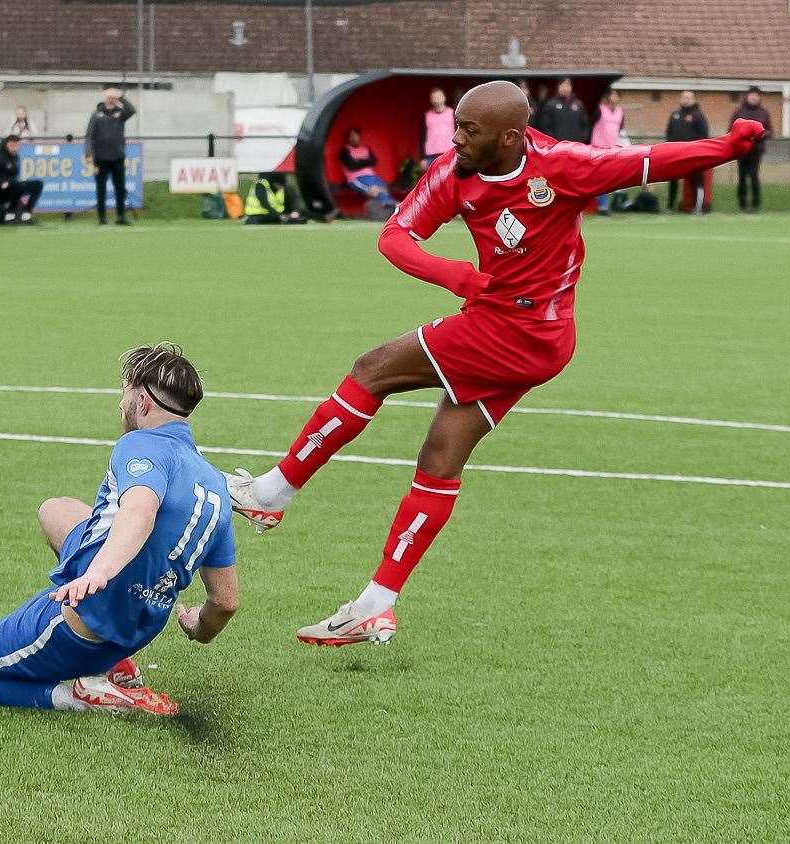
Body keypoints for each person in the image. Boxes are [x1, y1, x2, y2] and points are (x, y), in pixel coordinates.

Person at [220, 81, 765, 646]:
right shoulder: (456, 170)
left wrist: (727, 146)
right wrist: (455, 275)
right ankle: (375, 604)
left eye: (469, 130)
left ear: (510, 136)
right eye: (456, 125)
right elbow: (396, 237)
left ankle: (272, 494)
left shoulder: (562, 167)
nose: (456, 138)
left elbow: (648, 159)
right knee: (440, 456)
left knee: (372, 369)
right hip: (530, 337)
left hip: (516, 329)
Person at [0, 344, 239, 715]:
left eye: (124, 391)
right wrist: (196, 626)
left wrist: (98, 573)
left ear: (143, 402)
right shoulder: (214, 482)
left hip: (87, 623)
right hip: (141, 626)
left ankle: (82, 694)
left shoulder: (140, 444)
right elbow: (226, 602)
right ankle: (118, 666)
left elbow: (140, 509)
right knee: (55, 510)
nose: (120, 403)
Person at [85, 86, 137, 225]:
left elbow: (132, 110)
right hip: (100, 158)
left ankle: (121, 216)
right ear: (105, 98)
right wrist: (89, 153)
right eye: (109, 97)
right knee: (101, 188)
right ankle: (102, 217)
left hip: (118, 157)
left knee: (120, 188)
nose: (112, 99)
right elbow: (89, 136)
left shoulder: (121, 114)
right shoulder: (96, 115)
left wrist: (121, 98)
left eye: (114, 97)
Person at [665, 91, 711, 213]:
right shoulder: (675, 115)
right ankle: (670, 206)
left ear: (694, 100)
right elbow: (669, 133)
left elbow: (704, 135)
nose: (686, 100)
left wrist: (699, 151)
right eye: (684, 97)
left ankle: (699, 207)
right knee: (672, 180)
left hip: (693, 154)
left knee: (696, 180)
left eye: (689, 98)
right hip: (675, 154)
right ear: (680, 99)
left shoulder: (698, 115)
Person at [731, 86, 774, 213]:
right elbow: (731, 130)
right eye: (751, 95)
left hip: (756, 150)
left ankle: (755, 204)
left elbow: (770, 131)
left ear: (759, 97)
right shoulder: (739, 112)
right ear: (747, 97)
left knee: (754, 176)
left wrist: (761, 134)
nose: (753, 98)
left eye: (756, 96)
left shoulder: (763, 113)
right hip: (742, 150)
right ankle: (742, 203)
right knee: (742, 177)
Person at [0, 135, 43, 223]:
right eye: (12, 146)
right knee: (15, 185)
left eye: (17, 146)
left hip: (12, 185)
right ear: (6, 145)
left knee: (38, 184)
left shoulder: (15, 157)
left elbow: (14, 176)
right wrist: (1, 182)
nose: (14, 148)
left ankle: (26, 214)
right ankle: (10, 215)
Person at [340, 128, 397, 212]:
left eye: (356, 136)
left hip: (373, 176)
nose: (354, 138)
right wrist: (366, 161)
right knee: (374, 190)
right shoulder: (344, 151)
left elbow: (374, 162)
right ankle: (389, 205)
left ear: (359, 137)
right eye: (351, 136)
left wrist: (358, 161)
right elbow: (352, 166)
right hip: (357, 178)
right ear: (348, 138)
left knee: (383, 189)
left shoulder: (366, 148)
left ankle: (389, 204)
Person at [591, 90, 625, 214]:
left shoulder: (620, 112)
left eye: (616, 95)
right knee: (599, 177)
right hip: (598, 148)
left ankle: (606, 204)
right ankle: (602, 205)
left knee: (608, 178)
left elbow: (620, 129)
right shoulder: (600, 110)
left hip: (613, 150)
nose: (614, 97)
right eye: (612, 94)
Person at [533, 79, 591, 144]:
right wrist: (553, 140)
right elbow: (544, 126)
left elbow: (585, 125)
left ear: (571, 87)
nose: (565, 87)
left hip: (575, 146)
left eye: (567, 85)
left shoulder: (579, 105)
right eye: (563, 85)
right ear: (558, 87)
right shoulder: (551, 104)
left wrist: (582, 138)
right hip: (557, 146)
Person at [242, 171, 306, 224]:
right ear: (274, 183)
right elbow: (265, 204)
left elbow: (289, 204)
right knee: (261, 220)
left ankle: (287, 219)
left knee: (300, 219)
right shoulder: (260, 185)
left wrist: (293, 213)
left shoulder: (284, 188)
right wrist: (280, 216)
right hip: (256, 215)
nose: (281, 188)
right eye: (280, 185)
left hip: (274, 215)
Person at [422, 88, 454, 167]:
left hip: (449, 152)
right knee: (433, 178)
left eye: (439, 97)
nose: (437, 100)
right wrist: (422, 158)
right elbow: (422, 137)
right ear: (431, 100)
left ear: (444, 98)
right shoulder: (426, 115)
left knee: (450, 177)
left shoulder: (453, 113)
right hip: (431, 155)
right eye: (434, 98)